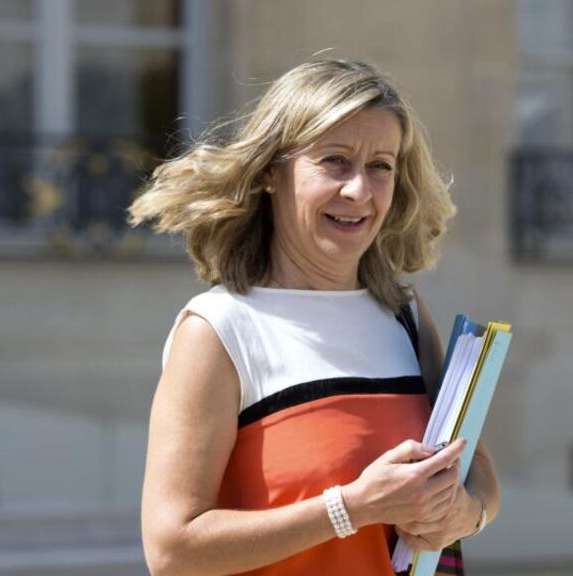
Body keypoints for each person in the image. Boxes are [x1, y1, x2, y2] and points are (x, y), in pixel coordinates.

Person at [130, 59, 500, 575]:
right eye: (335, 161)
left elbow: (477, 472)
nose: (359, 191)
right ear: (270, 173)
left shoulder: (405, 314)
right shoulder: (218, 330)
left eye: (381, 166)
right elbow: (171, 550)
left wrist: (466, 513)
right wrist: (352, 508)